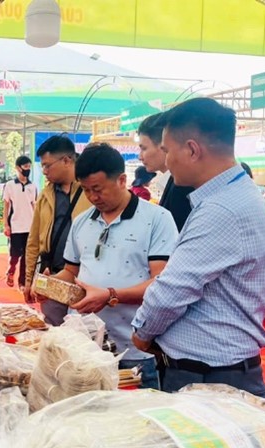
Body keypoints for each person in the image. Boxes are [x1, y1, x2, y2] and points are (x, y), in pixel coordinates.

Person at [131, 97, 265, 398]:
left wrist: (141, 334)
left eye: (168, 151)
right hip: (219, 371)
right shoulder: (233, 195)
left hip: (210, 378)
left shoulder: (221, 209)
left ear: (193, 150)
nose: (166, 162)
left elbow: (173, 289)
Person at [52, 143, 177, 389]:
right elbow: (71, 271)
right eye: (86, 190)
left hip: (133, 349)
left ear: (121, 180)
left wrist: (111, 296)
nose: (92, 197)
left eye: (98, 189)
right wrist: (50, 284)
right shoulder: (81, 222)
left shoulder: (157, 219)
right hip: (84, 347)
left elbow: (162, 283)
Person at [23, 135, 92, 325]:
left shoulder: (90, 191)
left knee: (84, 334)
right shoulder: (45, 195)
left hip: (84, 279)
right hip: (51, 273)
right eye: (42, 166)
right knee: (53, 329)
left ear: (67, 161)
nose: (44, 171)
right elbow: (33, 241)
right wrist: (29, 279)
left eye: (47, 165)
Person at [138, 113, 194, 231]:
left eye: (144, 148)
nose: (140, 156)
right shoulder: (172, 181)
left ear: (164, 145)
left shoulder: (183, 186)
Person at [3, 155, 38, 289]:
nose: (27, 169)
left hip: (29, 227)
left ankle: (22, 282)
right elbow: (6, 206)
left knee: (26, 256)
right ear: (18, 168)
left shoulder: (33, 186)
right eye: (25, 167)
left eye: (29, 167)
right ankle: (11, 270)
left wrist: (37, 225)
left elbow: (34, 206)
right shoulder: (10, 185)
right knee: (15, 255)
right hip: (16, 226)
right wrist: (6, 225)